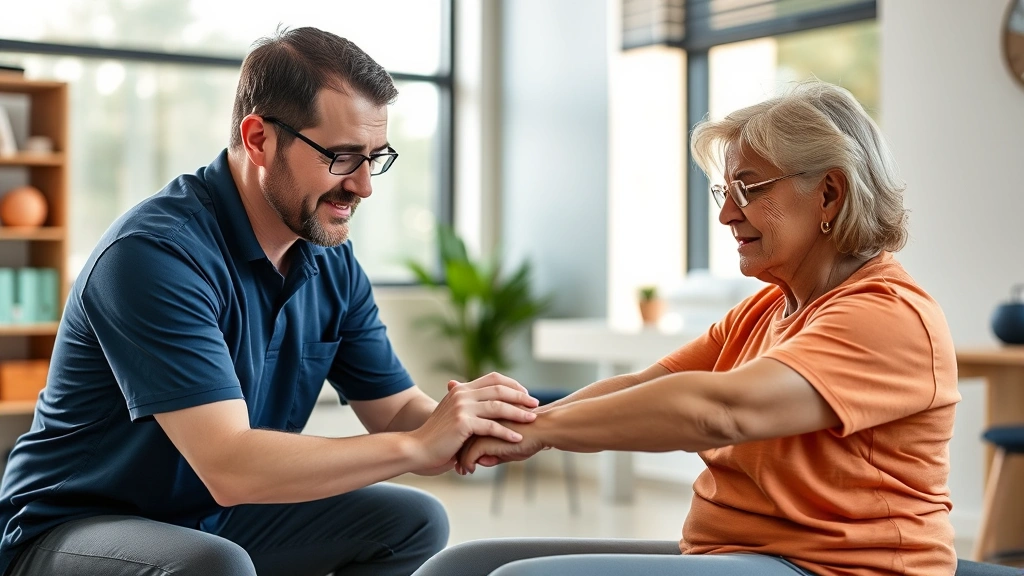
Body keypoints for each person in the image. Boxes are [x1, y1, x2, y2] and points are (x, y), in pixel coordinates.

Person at [0, 27, 539, 576]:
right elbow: (231, 467)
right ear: (259, 139)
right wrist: (417, 447)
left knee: (412, 520)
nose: (364, 187)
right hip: (74, 526)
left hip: (212, 515)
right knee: (213, 565)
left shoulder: (331, 260)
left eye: (375, 158)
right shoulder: (152, 256)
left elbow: (396, 411)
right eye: (343, 156)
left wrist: (477, 426)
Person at [418, 81, 963, 576]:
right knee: (463, 567)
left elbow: (719, 411)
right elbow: (645, 385)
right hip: (737, 555)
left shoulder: (886, 315)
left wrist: (540, 433)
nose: (727, 214)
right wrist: (523, 425)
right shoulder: (767, 310)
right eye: (724, 192)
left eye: (750, 189)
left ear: (829, 194)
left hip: (838, 569)